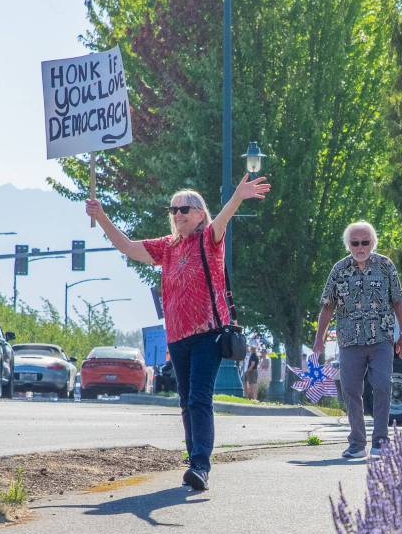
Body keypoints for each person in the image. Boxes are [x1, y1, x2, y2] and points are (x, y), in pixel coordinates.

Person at [84, 175, 270, 491]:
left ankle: (201, 466)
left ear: (200, 214)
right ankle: (193, 459)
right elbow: (127, 247)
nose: (179, 214)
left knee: (199, 398)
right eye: (174, 209)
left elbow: (222, 220)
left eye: (186, 208)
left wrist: (237, 196)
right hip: (178, 337)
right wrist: (101, 216)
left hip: (207, 334)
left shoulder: (209, 241)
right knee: (185, 401)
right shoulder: (167, 247)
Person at [313, 221, 402, 459]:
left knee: (382, 385)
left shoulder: (386, 266)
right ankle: (357, 443)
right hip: (349, 340)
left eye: (365, 242)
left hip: (381, 339)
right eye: (355, 243)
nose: (360, 247)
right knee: (350, 390)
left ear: (372, 243)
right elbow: (327, 306)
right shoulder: (339, 269)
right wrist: (319, 339)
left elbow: (397, 301)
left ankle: (380, 441)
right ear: (349, 245)